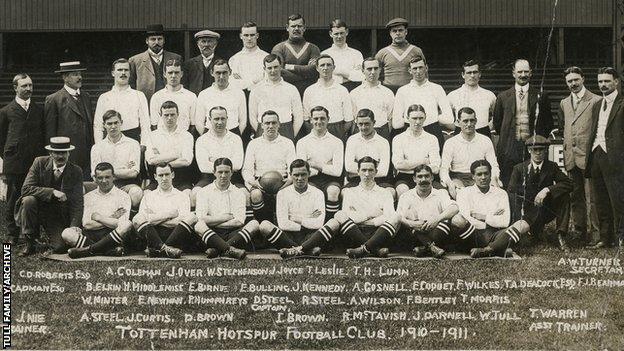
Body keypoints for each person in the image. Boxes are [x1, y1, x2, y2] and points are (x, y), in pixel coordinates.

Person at [15, 137, 84, 255]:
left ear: (69, 153)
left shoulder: (76, 171)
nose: (60, 156)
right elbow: (25, 189)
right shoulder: (39, 163)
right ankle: (29, 242)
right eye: (57, 153)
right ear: (51, 153)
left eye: (63, 153)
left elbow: (77, 202)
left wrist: (74, 226)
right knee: (28, 200)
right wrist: (52, 192)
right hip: (37, 209)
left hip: (56, 215)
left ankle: (49, 239)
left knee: (60, 248)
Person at [0, 73, 46, 245]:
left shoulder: (39, 110)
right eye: (24, 86)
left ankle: (32, 234)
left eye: (30, 85)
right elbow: (1, 139)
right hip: (14, 162)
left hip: (34, 163)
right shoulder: (6, 111)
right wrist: (10, 154)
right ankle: (13, 233)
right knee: (14, 197)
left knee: (33, 198)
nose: (28, 89)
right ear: (15, 88)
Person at [558, 66, 601, 245]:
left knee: (593, 197)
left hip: (590, 156)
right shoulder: (564, 103)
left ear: (583, 78)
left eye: (576, 79)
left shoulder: (596, 100)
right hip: (571, 157)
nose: (573, 84)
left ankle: (598, 235)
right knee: (576, 196)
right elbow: (564, 127)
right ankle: (580, 233)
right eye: (569, 81)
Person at [493, 59, 553, 186]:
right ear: (513, 73)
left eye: (526, 71)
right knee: (510, 185)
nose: (523, 75)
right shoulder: (503, 97)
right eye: (520, 71)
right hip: (509, 150)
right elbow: (498, 124)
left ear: (531, 73)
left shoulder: (541, 96)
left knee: (534, 185)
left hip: (532, 148)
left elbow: (548, 123)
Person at [453, 159, 530, 258]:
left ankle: (487, 250)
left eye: (486, 174)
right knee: (457, 220)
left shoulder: (501, 193)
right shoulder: (464, 193)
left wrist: (483, 217)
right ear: (473, 176)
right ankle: (498, 249)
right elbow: (466, 218)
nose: (483, 177)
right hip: (473, 234)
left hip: (495, 235)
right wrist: (492, 220)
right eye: (479, 174)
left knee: (523, 225)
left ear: (490, 175)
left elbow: (505, 222)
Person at [508, 135, 573, 250]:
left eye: (541, 150)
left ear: (546, 150)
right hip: (527, 211)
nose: (538, 153)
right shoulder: (519, 168)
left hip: (545, 210)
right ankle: (530, 232)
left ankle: (561, 236)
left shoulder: (551, 166)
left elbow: (568, 183)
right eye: (534, 150)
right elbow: (511, 192)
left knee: (564, 196)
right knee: (527, 243)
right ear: (529, 150)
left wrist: (547, 190)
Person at [259, 159, 332, 257]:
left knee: (333, 223)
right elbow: (283, 224)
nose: (300, 178)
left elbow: (319, 223)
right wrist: (308, 218)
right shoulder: (282, 193)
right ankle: (307, 250)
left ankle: (293, 250)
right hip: (289, 235)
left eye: (303, 174)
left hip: (310, 235)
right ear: (290, 175)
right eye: (296, 175)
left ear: (309, 174)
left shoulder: (318, 193)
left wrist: (296, 219)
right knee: (264, 225)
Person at [585, 67, 624, 249]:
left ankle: (621, 238)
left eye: (607, 81)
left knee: (618, 199)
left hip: (616, 157)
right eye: (600, 81)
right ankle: (605, 238)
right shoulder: (597, 105)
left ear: (616, 81)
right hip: (596, 155)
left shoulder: (622, 103)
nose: (603, 85)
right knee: (600, 200)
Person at [61, 162, 133, 259]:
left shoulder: (123, 196)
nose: (104, 181)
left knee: (127, 224)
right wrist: (112, 218)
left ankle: (89, 250)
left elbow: (120, 224)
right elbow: (87, 224)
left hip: (112, 235)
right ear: (95, 179)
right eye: (100, 178)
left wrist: (99, 218)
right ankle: (108, 251)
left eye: (107, 177)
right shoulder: (88, 197)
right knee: (67, 233)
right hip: (92, 235)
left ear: (113, 177)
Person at [336, 157, 401, 258]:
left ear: (376, 172)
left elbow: (389, 215)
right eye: (363, 170)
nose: (367, 174)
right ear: (358, 171)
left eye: (371, 170)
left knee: (396, 216)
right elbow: (348, 216)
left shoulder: (385, 192)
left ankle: (363, 249)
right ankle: (375, 250)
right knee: (339, 214)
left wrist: (367, 220)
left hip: (378, 232)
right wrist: (372, 214)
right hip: (355, 232)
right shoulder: (350, 192)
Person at [194, 158, 259, 259]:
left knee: (254, 224)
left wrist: (213, 220)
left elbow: (239, 222)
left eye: (226, 172)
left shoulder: (238, 193)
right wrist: (226, 217)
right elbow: (201, 219)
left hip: (233, 234)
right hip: (211, 234)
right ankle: (229, 249)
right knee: (199, 226)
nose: (223, 175)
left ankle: (218, 249)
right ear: (214, 172)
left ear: (232, 173)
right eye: (220, 172)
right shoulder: (203, 192)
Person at [132, 163, 198, 258]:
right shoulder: (148, 196)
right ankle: (165, 249)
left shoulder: (182, 196)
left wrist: (155, 219)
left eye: (167, 174)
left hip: (175, 234)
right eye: (160, 175)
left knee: (192, 217)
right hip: (154, 235)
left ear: (173, 175)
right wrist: (169, 214)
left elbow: (182, 221)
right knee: (137, 218)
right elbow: (142, 220)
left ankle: (158, 250)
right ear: (155, 177)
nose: (164, 178)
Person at [193, 106, 247, 217]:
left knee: (245, 194)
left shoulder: (236, 139)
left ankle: (240, 226)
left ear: (227, 119)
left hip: (232, 178)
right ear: (209, 120)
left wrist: (213, 160)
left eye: (223, 119)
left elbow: (237, 165)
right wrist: (227, 160)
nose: (220, 122)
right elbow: (203, 167)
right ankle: (199, 229)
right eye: (216, 119)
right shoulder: (202, 140)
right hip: (207, 178)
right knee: (194, 194)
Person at [242, 111, 296, 222]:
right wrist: (253, 182)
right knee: (256, 195)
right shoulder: (254, 144)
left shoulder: (287, 143)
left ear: (279, 124)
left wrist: (289, 182)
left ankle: (281, 227)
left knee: (286, 195)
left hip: (282, 183)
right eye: (267, 123)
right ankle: (262, 226)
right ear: (261, 125)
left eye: (273, 123)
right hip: (259, 183)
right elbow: (247, 169)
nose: (270, 126)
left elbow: (293, 168)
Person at [44, 61, 94, 179]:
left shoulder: (86, 97)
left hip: (87, 155)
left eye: (80, 74)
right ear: (65, 77)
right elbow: (50, 132)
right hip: (66, 155)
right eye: (75, 74)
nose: (80, 77)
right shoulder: (54, 99)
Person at [392, 56, 454, 149]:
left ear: (426, 68)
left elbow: (449, 118)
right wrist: (411, 121)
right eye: (415, 68)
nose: (418, 71)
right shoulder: (402, 91)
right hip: (410, 131)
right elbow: (396, 123)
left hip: (432, 130)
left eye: (421, 67)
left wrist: (431, 117)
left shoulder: (437, 88)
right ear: (409, 70)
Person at [396, 164, 457, 258]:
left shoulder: (440, 193)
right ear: (414, 179)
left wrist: (437, 219)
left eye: (427, 176)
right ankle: (431, 248)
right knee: (411, 228)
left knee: (445, 221)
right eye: (420, 176)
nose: (423, 179)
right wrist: (411, 224)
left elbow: (454, 207)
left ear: (432, 177)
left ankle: (423, 249)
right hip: (416, 233)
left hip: (436, 231)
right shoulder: (406, 196)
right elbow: (398, 217)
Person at [90, 110, 143, 215]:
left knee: (136, 193)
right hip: (104, 186)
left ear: (121, 123)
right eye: (109, 123)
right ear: (104, 125)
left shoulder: (133, 144)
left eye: (116, 123)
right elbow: (95, 175)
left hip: (126, 185)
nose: (113, 126)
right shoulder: (97, 147)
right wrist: (123, 170)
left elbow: (133, 173)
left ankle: (131, 221)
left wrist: (107, 173)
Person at [440, 107, 501, 199]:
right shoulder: (451, 143)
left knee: (493, 194)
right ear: (458, 122)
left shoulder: (485, 140)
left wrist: (494, 177)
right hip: (458, 178)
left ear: (476, 121)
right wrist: (449, 183)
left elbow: (493, 165)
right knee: (461, 196)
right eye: (465, 121)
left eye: (472, 120)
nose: (469, 124)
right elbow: (444, 168)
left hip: (480, 176)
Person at [296, 106, 343, 220]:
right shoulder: (302, 142)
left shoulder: (337, 142)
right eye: (316, 118)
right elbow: (301, 170)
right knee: (309, 193)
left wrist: (314, 164)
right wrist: (327, 165)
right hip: (310, 179)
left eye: (322, 118)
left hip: (331, 179)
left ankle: (331, 225)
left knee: (333, 191)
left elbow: (337, 171)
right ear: (311, 120)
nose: (319, 122)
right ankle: (312, 225)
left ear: (328, 119)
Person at [248, 54, 304, 140]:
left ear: (280, 67)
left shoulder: (291, 89)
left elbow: (299, 117)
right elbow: (252, 117)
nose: (273, 70)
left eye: (276, 67)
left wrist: (291, 135)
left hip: (286, 130)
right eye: (269, 68)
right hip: (263, 131)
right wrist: (262, 133)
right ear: (264, 69)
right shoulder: (257, 89)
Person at [94, 58, 150, 142]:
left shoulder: (139, 95)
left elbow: (145, 124)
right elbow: (98, 125)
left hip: (133, 139)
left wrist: (144, 145)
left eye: (126, 70)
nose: (123, 73)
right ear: (113, 73)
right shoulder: (104, 97)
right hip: (110, 141)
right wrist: (99, 146)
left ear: (130, 73)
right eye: (120, 70)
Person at [144, 101, 194, 194]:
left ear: (178, 115)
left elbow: (186, 161)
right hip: (158, 180)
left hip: (180, 180)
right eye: (166, 115)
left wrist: (160, 158)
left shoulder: (187, 136)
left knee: (188, 194)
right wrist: (175, 155)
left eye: (172, 115)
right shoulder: (152, 136)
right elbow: (151, 160)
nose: (169, 118)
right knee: (146, 194)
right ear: (160, 115)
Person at [392, 104, 440, 199]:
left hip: (426, 177)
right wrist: (423, 162)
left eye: (420, 118)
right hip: (405, 177)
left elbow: (435, 168)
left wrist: (407, 164)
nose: (417, 122)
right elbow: (398, 165)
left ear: (425, 117)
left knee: (442, 192)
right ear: (407, 118)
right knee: (403, 191)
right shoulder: (398, 139)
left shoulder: (432, 139)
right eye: (414, 118)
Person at [302, 54, 353, 140]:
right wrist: (316, 132)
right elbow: (306, 119)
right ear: (317, 68)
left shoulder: (342, 90)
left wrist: (339, 133)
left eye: (328, 65)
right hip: (316, 130)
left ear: (333, 67)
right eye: (322, 65)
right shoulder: (309, 90)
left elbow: (349, 120)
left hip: (337, 130)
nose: (325, 68)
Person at [128, 24, 182, 102]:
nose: (156, 42)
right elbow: (131, 86)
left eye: (159, 39)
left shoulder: (176, 58)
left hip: (170, 102)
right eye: (153, 39)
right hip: (146, 102)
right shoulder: (135, 60)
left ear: (164, 40)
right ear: (147, 41)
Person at [271, 13, 321, 96]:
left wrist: (291, 67)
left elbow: (315, 71)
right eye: (293, 26)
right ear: (287, 28)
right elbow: (279, 72)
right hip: (285, 93)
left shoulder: (313, 48)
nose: (296, 29)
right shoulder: (279, 48)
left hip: (309, 93)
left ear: (304, 28)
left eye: (299, 26)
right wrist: (306, 75)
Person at [195, 59, 247, 135]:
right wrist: (207, 137)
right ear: (212, 73)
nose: (221, 76)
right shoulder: (204, 94)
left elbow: (243, 121)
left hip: (232, 135)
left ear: (230, 72)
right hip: (210, 136)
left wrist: (235, 137)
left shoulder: (239, 93)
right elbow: (199, 122)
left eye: (224, 73)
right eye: (218, 73)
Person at [447, 60, 497, 137]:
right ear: (463, 75)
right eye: (469, 73)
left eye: (475, 72)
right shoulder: (453, 95)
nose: (472, 75)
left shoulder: (489, 95)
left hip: (483, 133)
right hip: (460, 134)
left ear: (479, 74)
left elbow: (497, 116)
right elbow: (444, 117)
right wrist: (457, 127)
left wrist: (487, 127)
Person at [374, 17, 425, 93]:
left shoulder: (416, 50)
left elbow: (424, 72)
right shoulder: (382, 52)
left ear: (406, 32)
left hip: (410, 90)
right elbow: (375, 72)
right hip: (389, 90)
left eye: (400, 30)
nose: (398, 33)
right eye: (394, 31)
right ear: (390, 33)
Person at [344, 109, 391, 189]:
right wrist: (375, 166)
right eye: (360, 124)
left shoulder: (383, 142)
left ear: (374, 123)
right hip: (356, 180)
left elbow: (383, 171)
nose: (363, 127)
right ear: (356, 124)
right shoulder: (352, 140)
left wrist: (357, 168)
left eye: (367, 124)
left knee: (391, 192)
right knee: (344, 193)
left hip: (378, 181)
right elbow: (348, 167)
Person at [350, 57, 395, 140]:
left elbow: (390, 117)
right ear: (363, 71)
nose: (373, 72)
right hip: (361, 132)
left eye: (376, 68)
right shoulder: (354, 93)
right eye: (369, 69)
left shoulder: (388, 93)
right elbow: (353, 117)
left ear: (380, 70)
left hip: (382, 132)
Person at [150, 59, 197, 134]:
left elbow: (193, 124)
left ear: (181, 74)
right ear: (165, 74)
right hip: (162, 139)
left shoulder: (191, 96)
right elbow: (154, 125)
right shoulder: (157, 97)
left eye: (176, 72)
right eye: (170, 72)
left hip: (183, 138)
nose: (173, 76)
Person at [320, 19, 364, 90]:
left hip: (352, 89)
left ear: (346, 32)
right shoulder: (324, 54)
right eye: (336, 34)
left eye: (342, 33)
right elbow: (324, 77)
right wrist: (349, 75)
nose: (339, 36)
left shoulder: (356, 54)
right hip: (331, 90)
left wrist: (338, 72)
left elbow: (360, 76)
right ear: (331, 34)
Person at [229, 22, 269, 91]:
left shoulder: (266, 57)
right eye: (246, 35)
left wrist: (243, 82)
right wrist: (255, 81)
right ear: (241, 36)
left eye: (252, 35)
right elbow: (234, 83)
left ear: (257, 35)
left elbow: (267, 81)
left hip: (261, 96)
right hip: (241, 97)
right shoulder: (234, 59)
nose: (249, 38)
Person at [182, 30, 221, 95]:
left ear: (215, 44)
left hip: (215, 99)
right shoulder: (189, 64)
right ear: (198, 44)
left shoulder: (222, 63)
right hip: (195, 100)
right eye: (203, 41)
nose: (206, 45)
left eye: (209, 41)